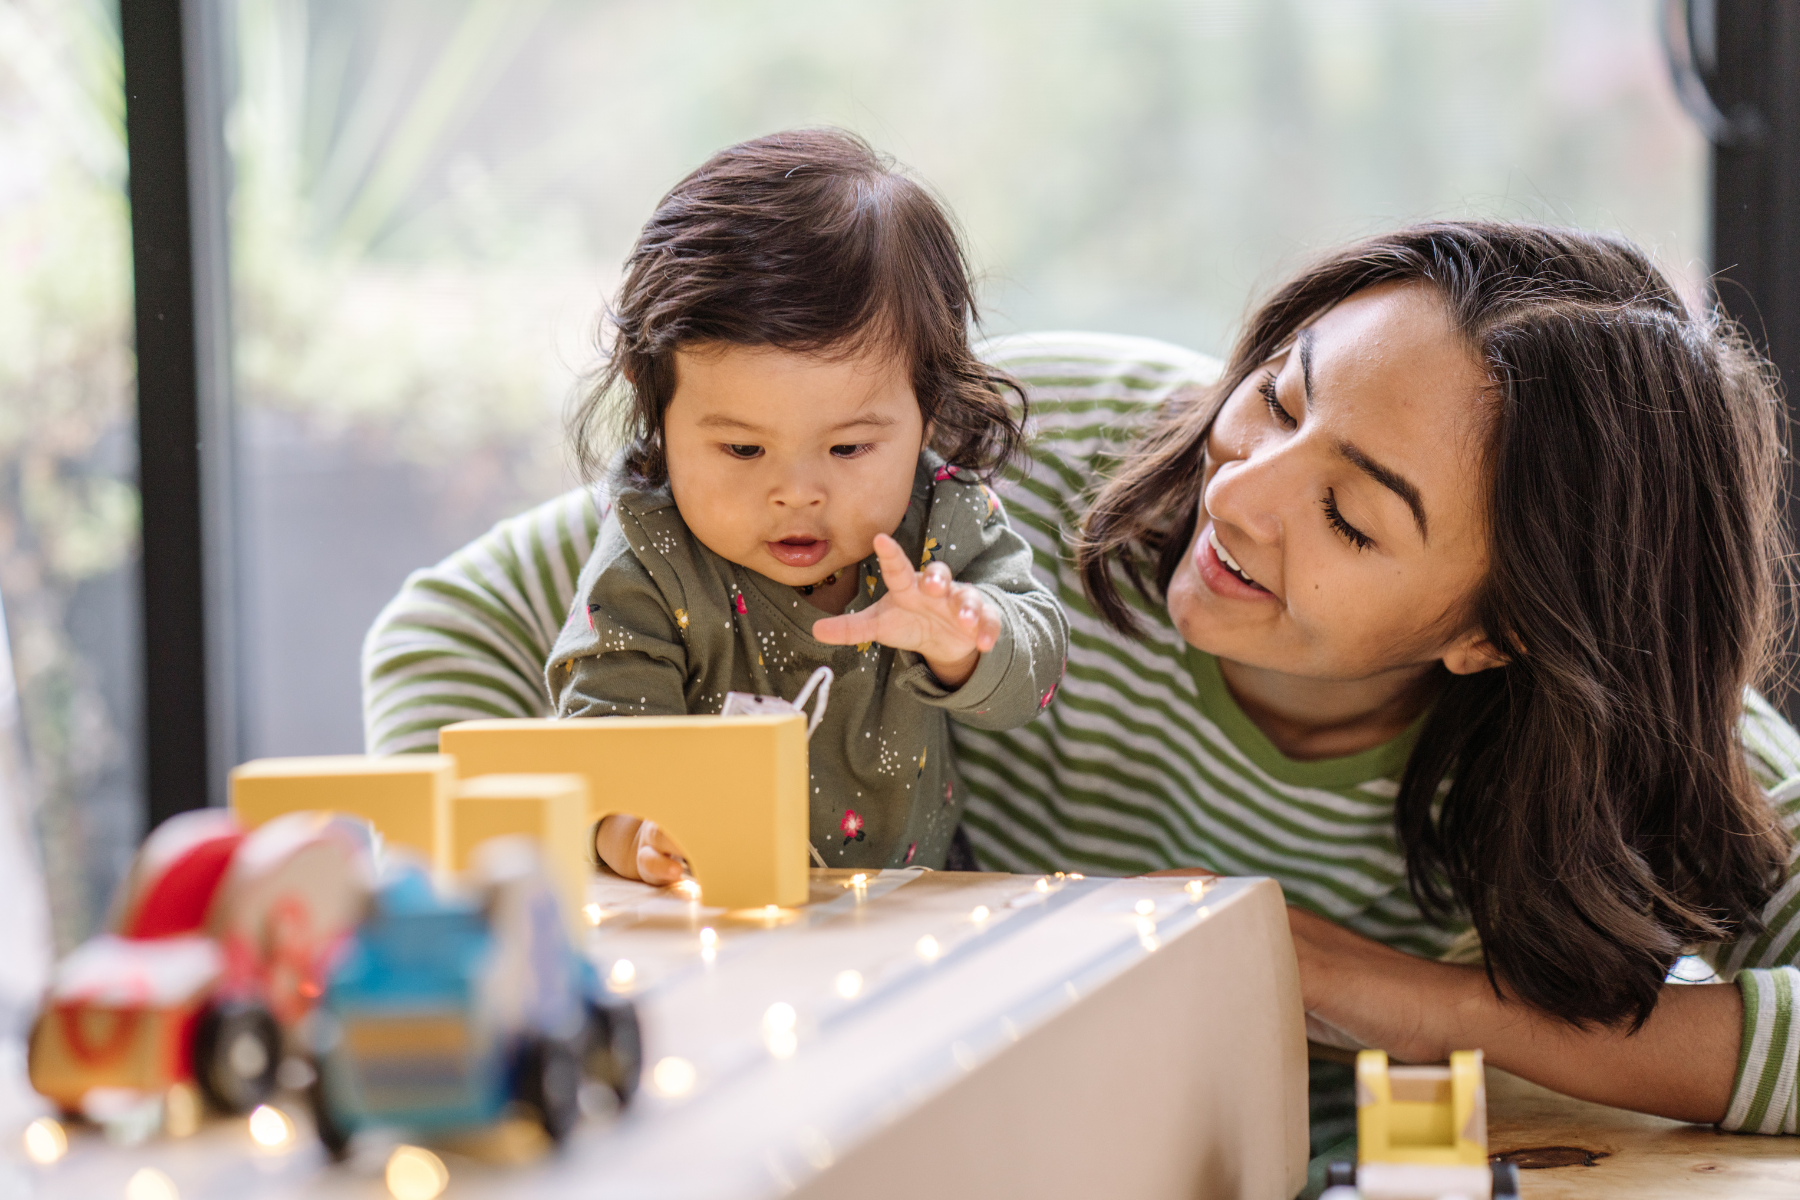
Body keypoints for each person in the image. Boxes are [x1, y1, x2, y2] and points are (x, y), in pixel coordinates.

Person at [361, 218, 1800, 1147]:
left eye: (1355, 518)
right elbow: (454, 628)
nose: (1241, 495)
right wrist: (593, 916)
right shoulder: (1002, 469)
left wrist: (1420, 1001)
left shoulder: (1621, 737)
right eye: (1284, 395)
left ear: (1501, 633)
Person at [547, 130, 1067, 883]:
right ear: (654, 405)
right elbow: (601, 735)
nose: (797, 493)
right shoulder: (651, 557)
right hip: (719, 910)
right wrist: (634, 830)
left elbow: (1035, 676)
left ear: (928, 405)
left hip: (917, 906)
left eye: (850, 449)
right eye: (743, 451)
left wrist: (961, 641)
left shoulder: (942, 522)